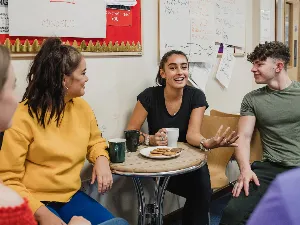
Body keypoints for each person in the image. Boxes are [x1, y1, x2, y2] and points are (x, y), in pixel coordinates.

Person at [0, 38, 129, 225]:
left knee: (120, 224)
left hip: (71, 197)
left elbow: (96, 142)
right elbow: (8, 179)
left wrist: (101, 159)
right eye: (83, 73)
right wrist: (42, 214)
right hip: (35, 201)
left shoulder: (81, 108)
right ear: (64, 79)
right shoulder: (20, 117)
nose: (87, 78)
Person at [126, 50, 239, 225]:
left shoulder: (196, 96)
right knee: (200, 195)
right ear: (163, 73)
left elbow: (192, 134)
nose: (180, 72)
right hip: (162, 164)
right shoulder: (149, 96)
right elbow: (131, 133)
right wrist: (151, 139)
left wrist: (206, 142)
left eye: (184, 67)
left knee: (202, 191)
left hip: (190, 163)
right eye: (173, 68)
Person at [220, 41, 300, 225]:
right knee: (233, 215)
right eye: (253, 64)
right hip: (270, 168)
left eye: (259, 64)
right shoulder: (252, 100)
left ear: (278, 66)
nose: (253, 69)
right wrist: (245, 170)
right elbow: (244, 137)